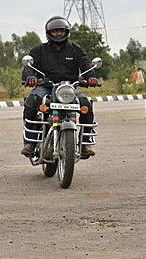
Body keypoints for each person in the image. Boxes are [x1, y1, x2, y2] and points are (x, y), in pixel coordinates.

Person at [21, 16, 99, 157]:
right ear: (49, 33)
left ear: (66, 32)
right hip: (45, 86)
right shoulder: (39, 50)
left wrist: (91, 77)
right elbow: (29, 67)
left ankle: (85, 143)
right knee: (32, 101)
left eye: (61, 31)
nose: (58, 34)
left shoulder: (75, 49)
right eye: (55, 31)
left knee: (86, 103)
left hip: (69, 88)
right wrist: (30, 77)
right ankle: (30, 143)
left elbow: (85, 65)